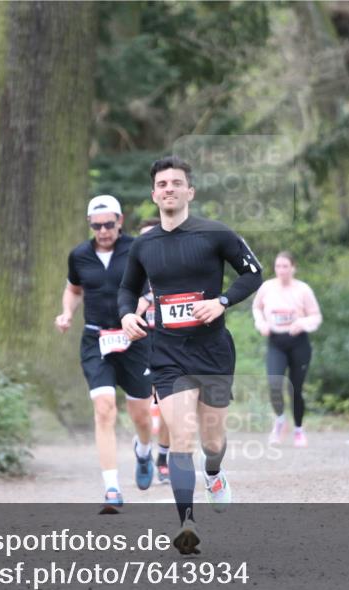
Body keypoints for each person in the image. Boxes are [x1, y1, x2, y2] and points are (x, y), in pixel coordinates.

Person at [119, 156, 262, 554]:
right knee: (181, 436)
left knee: (212, 440)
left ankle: (214, 474)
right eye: (162, 184)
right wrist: (127, 315)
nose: (169, 188)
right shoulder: (144, 245)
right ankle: (187, 523)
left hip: (213, 351)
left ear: (190, 192)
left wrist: (222, 301)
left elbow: (253, 272)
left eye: (176, 183)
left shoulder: (216, 234)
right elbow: (127, 290)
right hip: (167, 353)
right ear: (154, 194)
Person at [55, 195, 156, 514]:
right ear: (90, 225)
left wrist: (143, 307)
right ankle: (112, 488)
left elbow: (153, 285)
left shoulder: (137, 249)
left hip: (135, 337)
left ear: (120, 221)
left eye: (109, 224)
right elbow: (73, 289)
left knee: (140, 414)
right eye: (96, 226)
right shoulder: (79, 256)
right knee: (104, 409)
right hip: (96, 339)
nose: (103, 231)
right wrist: (66, 314)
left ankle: (143, 450)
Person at [252, 252, 322, 447]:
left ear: (293, 268)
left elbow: (316, 316)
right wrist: (261, 323)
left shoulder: (303, 290)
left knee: (295, 389)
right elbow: (256, 308)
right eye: (278, 266)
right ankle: (280, 420)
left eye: (285, 266)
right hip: (276, 341)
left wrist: (303, 323)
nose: (281, 270)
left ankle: (299, 429)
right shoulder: (267, 287)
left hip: (298, 342)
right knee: (274, 384)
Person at [134, 218, 171, 484]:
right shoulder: (131, 273)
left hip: (169, 342)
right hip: (140, 343)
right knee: (144, 408)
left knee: (169, 405)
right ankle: (144, 444)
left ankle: (163, 459)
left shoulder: (176, 269)